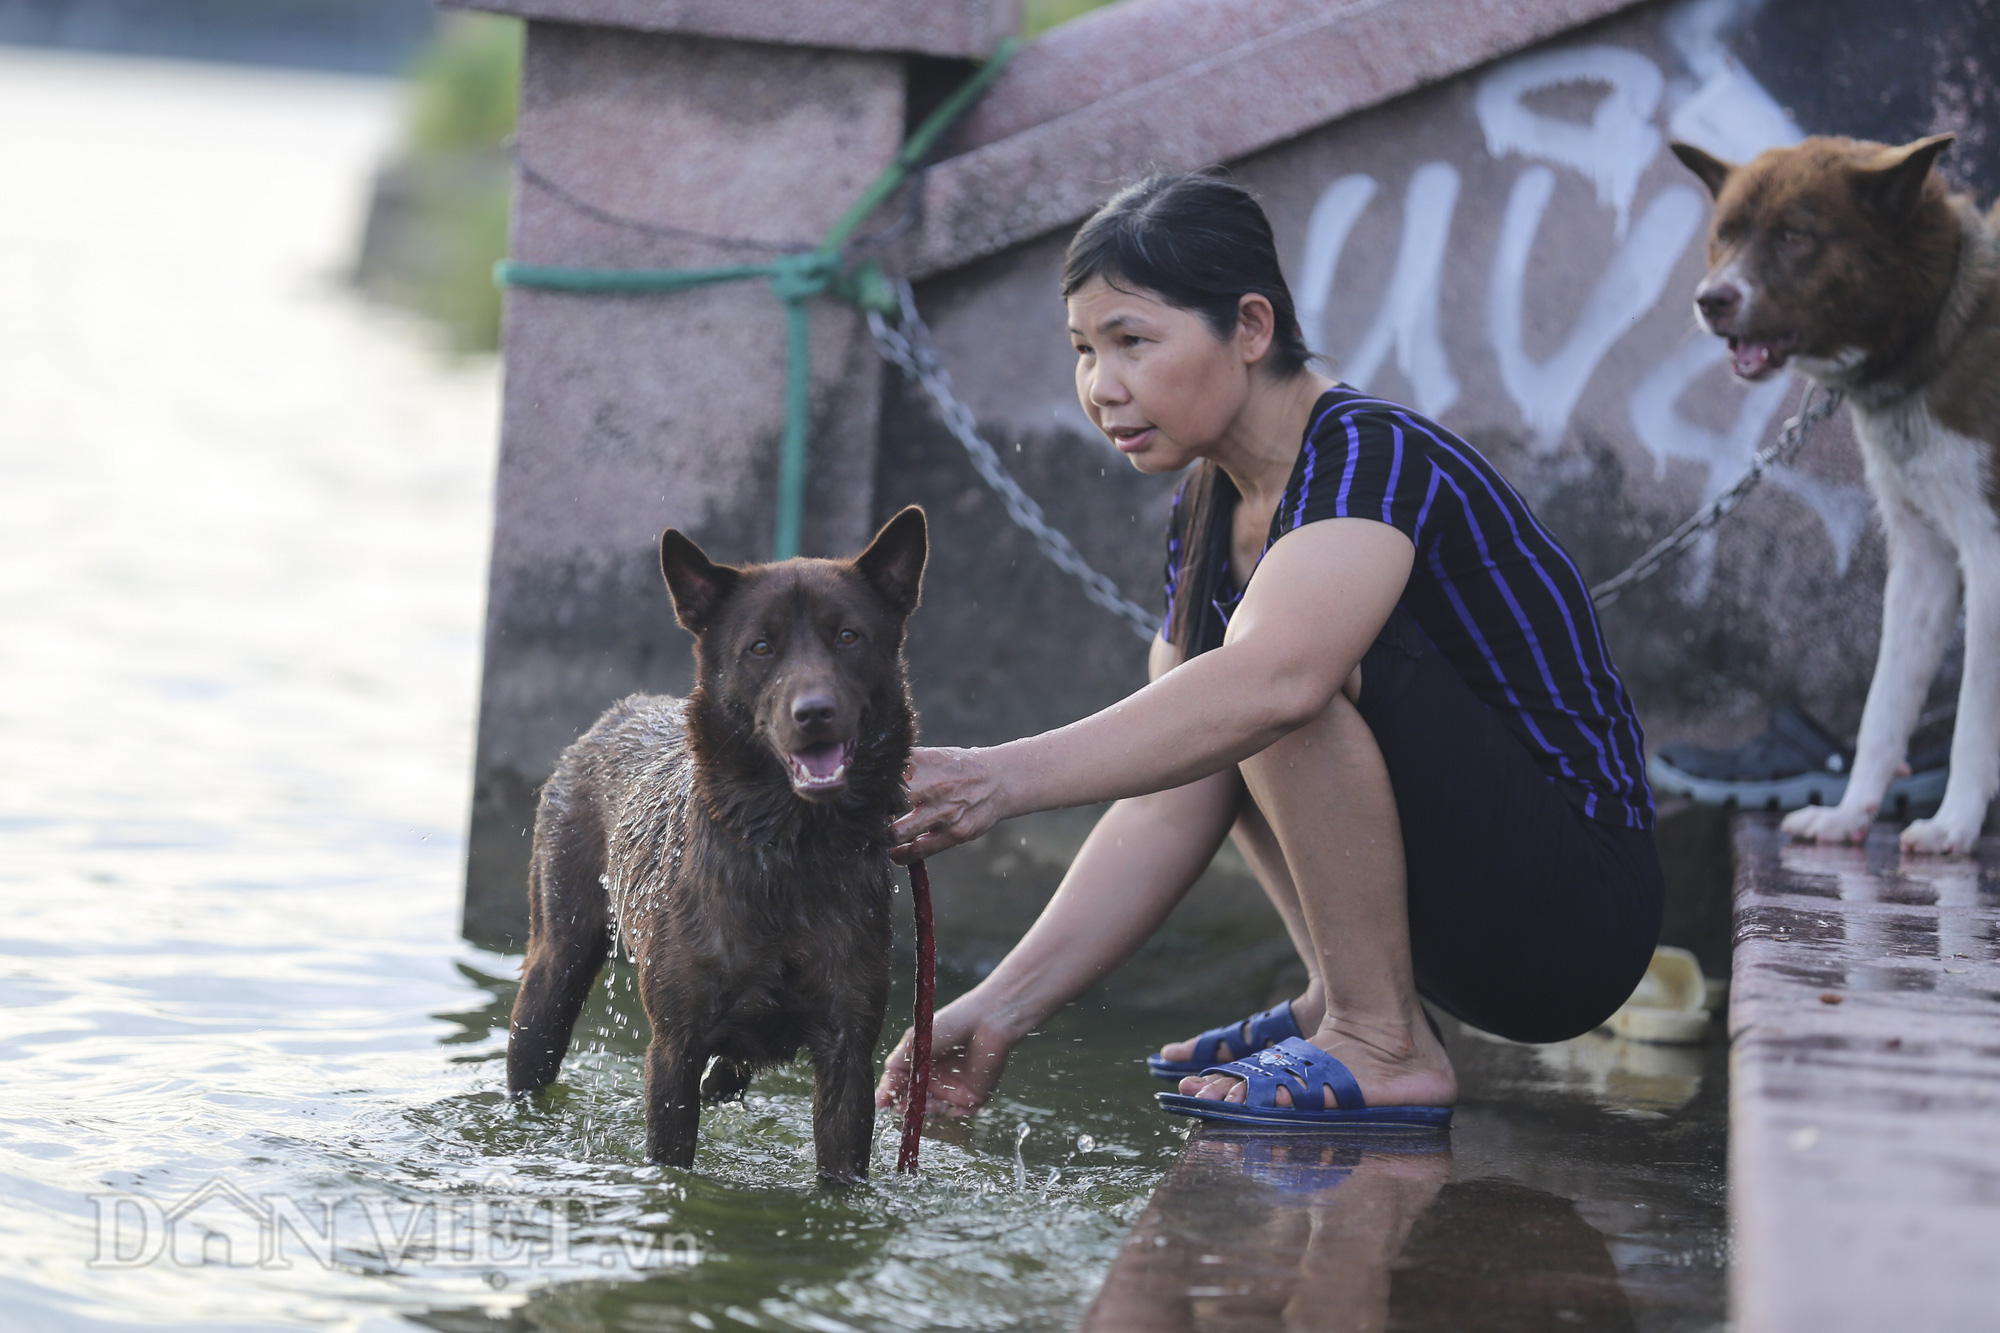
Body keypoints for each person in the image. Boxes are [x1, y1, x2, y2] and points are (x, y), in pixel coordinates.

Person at [874, 172, 1663, 1125]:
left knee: (1278, 678)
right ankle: (1347, 998)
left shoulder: (1372, 455)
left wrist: (996, 780)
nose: (1101, 387)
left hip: (1576, 914)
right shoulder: (1207, 504)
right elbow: (1172, 790)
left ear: (1251, 328)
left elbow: (1282, 682)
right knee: (1210, 706)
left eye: (1132, 341)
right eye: (1084, 350)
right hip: (1457, 922)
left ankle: (1382, 1039)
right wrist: (997, 1008)